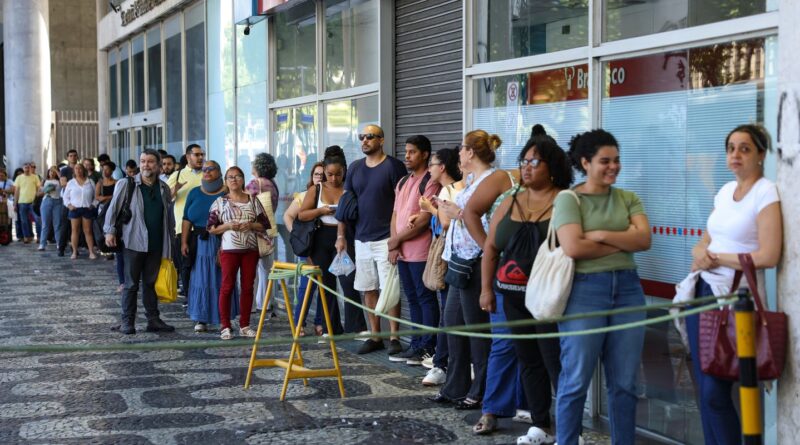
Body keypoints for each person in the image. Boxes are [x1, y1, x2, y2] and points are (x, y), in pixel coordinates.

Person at [553, 129, 651, 445]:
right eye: (604, 161)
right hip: (584, 291)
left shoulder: (628, 198)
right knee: (575, 380)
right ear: (586, 162)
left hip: (628, 289)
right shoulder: (569, 199)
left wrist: (598, 235)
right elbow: (574, 248)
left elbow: (644, 240)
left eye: (617, 160)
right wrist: (622, 242)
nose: (613, 167)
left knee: (624, 383)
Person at [685, 124, 781, 445]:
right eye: (730, 148)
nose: (735, 155)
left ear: (761, 155)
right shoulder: (725, 191)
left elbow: (768, 254)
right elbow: (706, 239)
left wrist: (717, 258)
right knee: (704, 385)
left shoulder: (766, 191)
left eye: (744, 148)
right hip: (703, 292)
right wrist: (700, 254)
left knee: (716, 388)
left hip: (735, 301)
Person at [476, 128, 572, 441]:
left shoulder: (566, 201)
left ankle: (569, 430)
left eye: (536, 162)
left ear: (553, 167)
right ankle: (540, 424)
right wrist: (486, 289)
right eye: (525, 161)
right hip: (512, 296)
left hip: (550, 299)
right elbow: (491, 248)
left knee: (554, 361)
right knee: (529, 360)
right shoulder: (509, 200)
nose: (527, 167)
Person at [430, 130, 513, 411]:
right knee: (453, 324)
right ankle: (455, 385)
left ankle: (480, 390)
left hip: (478, 260)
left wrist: (459, 214)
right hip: (459, 258)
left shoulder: (495, 178)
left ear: (471, 152)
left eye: (461, 149)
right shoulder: (470, 180)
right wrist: (451, 210)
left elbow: (488, 220)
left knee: (476, 330)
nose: (458, 154)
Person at [336, 124, 408, 356]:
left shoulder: (393, 166)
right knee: (368, 287)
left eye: (370, 137)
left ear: (381, 140)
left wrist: (396, 239)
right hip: (361, 238)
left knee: (390, 289)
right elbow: (345, 204)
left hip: (386, 238)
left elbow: (402, 203)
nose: (365, 140)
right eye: (362, 137)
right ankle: (375, 334)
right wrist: (341, 236)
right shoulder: (356, 168)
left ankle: (394, 335)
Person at [104, 149, 176, 335]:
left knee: (150, 283)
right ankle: (127, 321)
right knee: (130, 284)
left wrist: (171, 238)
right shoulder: (126, 184)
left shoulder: (163, 188)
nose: (146, 165)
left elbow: (168, 216)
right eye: (143, 161)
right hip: (132, 241)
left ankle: (153, 320)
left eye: (150, 161)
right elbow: (113, 210)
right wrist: (110, 231)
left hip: (156, 243)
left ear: (158, 165)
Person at [387, 135, 442, 365]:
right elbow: (396, 214)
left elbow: (423, 220)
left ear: (425, 154)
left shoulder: (430, 181)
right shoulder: (403, 181)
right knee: (411, 297)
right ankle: (416, 344)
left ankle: (428, 347)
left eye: (412, 152)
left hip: (421, 251)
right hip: (403, 252)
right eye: (406, 151)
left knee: (424, 297)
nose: (407, 156)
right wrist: (394, 242)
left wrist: (396, 239)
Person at [297, 146, 360, 336]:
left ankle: (355, 328)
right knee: (326, 285)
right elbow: (302, 214)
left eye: (338, 174)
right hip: (321, 238)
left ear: (344, 171)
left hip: (344, 237)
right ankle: (330, 328)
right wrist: (321, 211)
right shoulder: (316, 189)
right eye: (330, 174)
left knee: (349, 283)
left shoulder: (349, 188)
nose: (334, 179)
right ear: (324, 171)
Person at [414, 146, 464, 385]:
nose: (430, 169)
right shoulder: (451, 189)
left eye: (432, 164)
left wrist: (430, 209)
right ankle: (445, 361)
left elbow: (446, 223)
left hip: (452, 256)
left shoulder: (450, 189)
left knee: (448, 313)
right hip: (448, 253)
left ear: (442, 167)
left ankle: (441, 363)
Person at [207, 166, 270, 340]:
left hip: (250, 250)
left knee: (248, 286)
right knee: (227, 287)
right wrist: (228, 226)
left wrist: (250, 225)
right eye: (230, 177)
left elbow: (265, 224)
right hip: (229, 250)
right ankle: (225, 325)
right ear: (226, 181)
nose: (234, 180)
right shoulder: (220, 202)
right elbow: (211, 228)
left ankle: (245, 325)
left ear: (243, 179)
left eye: (237, 176)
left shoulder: (253, 200)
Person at [183, 160, 236, 332]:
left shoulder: (228, 193)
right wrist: (184, 241)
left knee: (222, 280)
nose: (206, 172)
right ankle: (201, 318)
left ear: (219, 172)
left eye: (210, 169)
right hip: (199, 241)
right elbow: (186, 219)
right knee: (200, 280)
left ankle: (224, 319)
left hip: (223, 240)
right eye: (204, 169)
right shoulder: (194, 193)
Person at [284, 162, 324, 335]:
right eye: (316, 174)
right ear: (311, 176)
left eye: (323, 175)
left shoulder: (333, 195)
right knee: (306, 286)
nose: (320, 178)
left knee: (326, 285)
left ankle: (321, 323)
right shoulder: (303, 195)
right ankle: (299, 323)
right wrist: (298, 236)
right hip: (308, 246)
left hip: (326, 246)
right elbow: (288, 215)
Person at [168, 144, 205, 302]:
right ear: (188, 156)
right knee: (186, 264)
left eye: (202, 154)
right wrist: (175, 189)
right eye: (197, 155)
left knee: (203, 264)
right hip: (182, 228)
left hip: (205, 227)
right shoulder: (177, 175)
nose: (200, 158)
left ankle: (202, 296)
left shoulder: (208, 174)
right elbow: (166, 200)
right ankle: (190, 298)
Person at [246, 153, 280, 313]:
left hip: (255, 230)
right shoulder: (273, 184)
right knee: (266, 269)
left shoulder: (255, 183)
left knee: (251, 269)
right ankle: (265, 302)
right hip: (268, 230)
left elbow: (244, 203)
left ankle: (251, 304)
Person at [63, 163, 98, 259]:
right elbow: (65, 197)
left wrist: (93, 205)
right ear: (74, 171)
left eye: (80, 168)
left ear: (83, 170)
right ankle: (74, 252)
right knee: (75, 231)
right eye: (76, 169)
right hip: (75, 209)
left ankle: (91, 251)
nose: (78, 170)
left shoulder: (90, 182)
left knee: (88, 231)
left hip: (87, 208)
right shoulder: (71, 183)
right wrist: (69, 206)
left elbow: (96, 196)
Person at [13, 162, 42, 244]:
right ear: (23, 168)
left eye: (29, 167)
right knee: (24, 221)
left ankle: (39, 237)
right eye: (25, 167)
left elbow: (38, 189)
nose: (27, 168)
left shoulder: (35, 177)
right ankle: (26, 236)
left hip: (33, 203)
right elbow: (16, 191)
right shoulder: (19, 178)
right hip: (22, 202)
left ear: (31, 168)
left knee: (37, 220)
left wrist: (37, 199)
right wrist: (15, 204)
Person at [95, 162, 118, 259]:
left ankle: (113, 248)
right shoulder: (100, 183)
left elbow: (117, 197)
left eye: (107, 169)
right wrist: (110, 197)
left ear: (111, 170)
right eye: (103, 169)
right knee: (102, 227)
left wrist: (105, 197)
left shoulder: (116, 182)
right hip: (102, 208)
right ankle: (105, 248)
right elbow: (97, 197)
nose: (104, 171)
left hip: (113, 208)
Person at [58, 149, 80, 254]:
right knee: (64, 225)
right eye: (70, 156)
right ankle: (61, 248)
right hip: (67, 201)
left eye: (75, 155)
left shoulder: (80, 169)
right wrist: (76, 186)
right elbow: (63, 183)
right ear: (67, 157)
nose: (73, 157)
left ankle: (74, 248)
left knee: (75, 227)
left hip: (78, 201)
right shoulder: (64, 170)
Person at [38, 166, 64, 252]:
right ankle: (42, 243)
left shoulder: (59, 181)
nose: (52, 173)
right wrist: (46, 190)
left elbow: (63, 182)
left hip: (57, 202)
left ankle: (59, 243)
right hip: (47, 200)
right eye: (50, 171)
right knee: (45, 224)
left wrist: (57, 171)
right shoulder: (44, 180)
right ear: (48, 172)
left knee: (57, 224)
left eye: (54, 172)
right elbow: (39, 193)